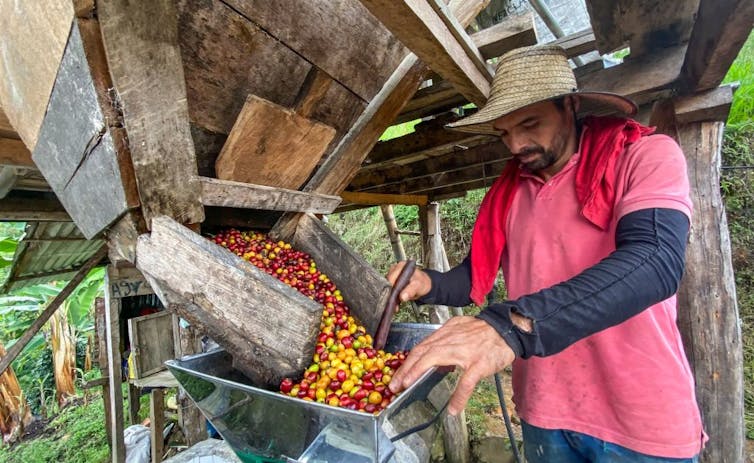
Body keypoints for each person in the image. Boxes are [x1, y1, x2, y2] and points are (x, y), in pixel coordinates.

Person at [386, 45, 706, 462]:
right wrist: (427, 283)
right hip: (546, 411)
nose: (516, 144)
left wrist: (513, 327)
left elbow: (655, 262)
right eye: (504, 133)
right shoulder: (510, 194)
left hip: (642, 419)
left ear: (570, 105)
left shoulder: (644, 156)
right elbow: (473, 280)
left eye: (530, 123)